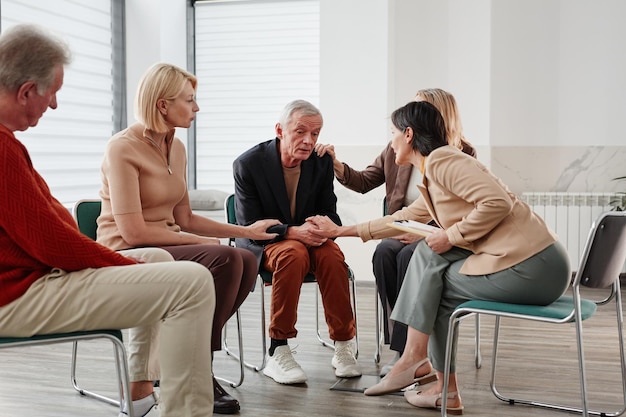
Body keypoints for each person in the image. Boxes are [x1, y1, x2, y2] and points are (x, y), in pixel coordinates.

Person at [0, 24, 216, 417]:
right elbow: (50, 243)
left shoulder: (8, 145)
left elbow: (49, 227)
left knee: (159, 261)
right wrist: (117, 260)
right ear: (27, 90)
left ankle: (138, 390)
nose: (54, 106)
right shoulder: (2, 149)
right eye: (53, 94)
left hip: (31, 278)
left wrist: (120, 260)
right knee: (193, 282)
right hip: (15, 293)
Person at [307, 100, 571, 414]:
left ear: (408, 134)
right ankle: (429, 377)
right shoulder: (433, 173)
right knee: (429, 258)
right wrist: (341, 231)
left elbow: (498, 202)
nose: (390, 142)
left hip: (533, 267)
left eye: (392, 133)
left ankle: (421, 366)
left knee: (437, 280)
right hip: (535, 264)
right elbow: (400, 219)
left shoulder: (444, 160)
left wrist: (451, 236)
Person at [97, 62, 279, 414]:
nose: (197, 108)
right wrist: (208, 245)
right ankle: (196, 371)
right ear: (162, 104)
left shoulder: (176, 148)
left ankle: (193, 365)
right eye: (190, 100)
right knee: (224, 259)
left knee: (243, 258)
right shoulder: (122, 148)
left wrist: (246, 232)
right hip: (128, 249)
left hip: (165, 242)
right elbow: (133, 231)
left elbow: (185, 218)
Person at [315, 88, 476, 376]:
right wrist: (336, 165)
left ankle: (412, 352)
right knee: (385, 254)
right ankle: (402, 349)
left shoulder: (461, 154)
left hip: (438, 232)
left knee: (408, 258)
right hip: (401, 225)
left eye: (419, 108)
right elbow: (365, 181)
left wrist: (423, 232)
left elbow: (464, 212)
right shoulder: (396, 148)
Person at [232, 99, 361, 385]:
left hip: (309, 239)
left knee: (331, 256)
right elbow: (249, 225)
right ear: (280, 130)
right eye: (300, 132)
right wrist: (292, 232)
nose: (308, 140)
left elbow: (330, 211)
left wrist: (322, 227)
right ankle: (278, 348)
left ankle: (343, 345)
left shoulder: (321, 161)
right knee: (293, 253)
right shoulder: (248, 164)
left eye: (315, 134)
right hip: (266, 243)